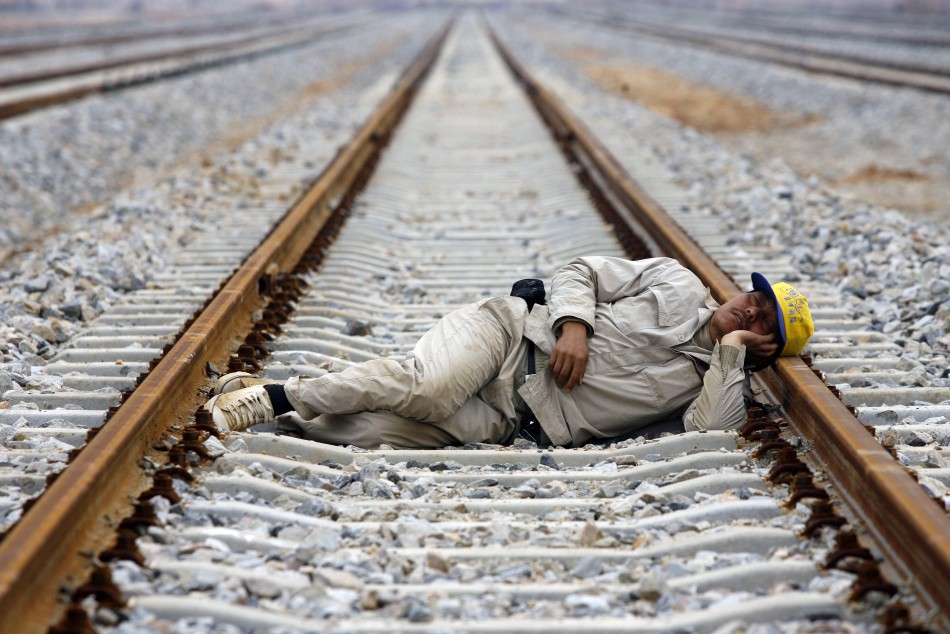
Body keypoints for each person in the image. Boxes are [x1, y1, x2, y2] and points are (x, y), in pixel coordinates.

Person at [204, 256, 814, 449]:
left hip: (512, 417)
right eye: (755, 297)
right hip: (507, 334)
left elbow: (708, 433)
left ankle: (275, 398)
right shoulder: (677, 281)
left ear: (762, 347)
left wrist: (729, 355)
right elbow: (579, 269)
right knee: (430, 388)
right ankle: (277, 395)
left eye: (763, 322)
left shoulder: (711, 380)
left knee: (374, 433)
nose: (750, 309)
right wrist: (573, 324)